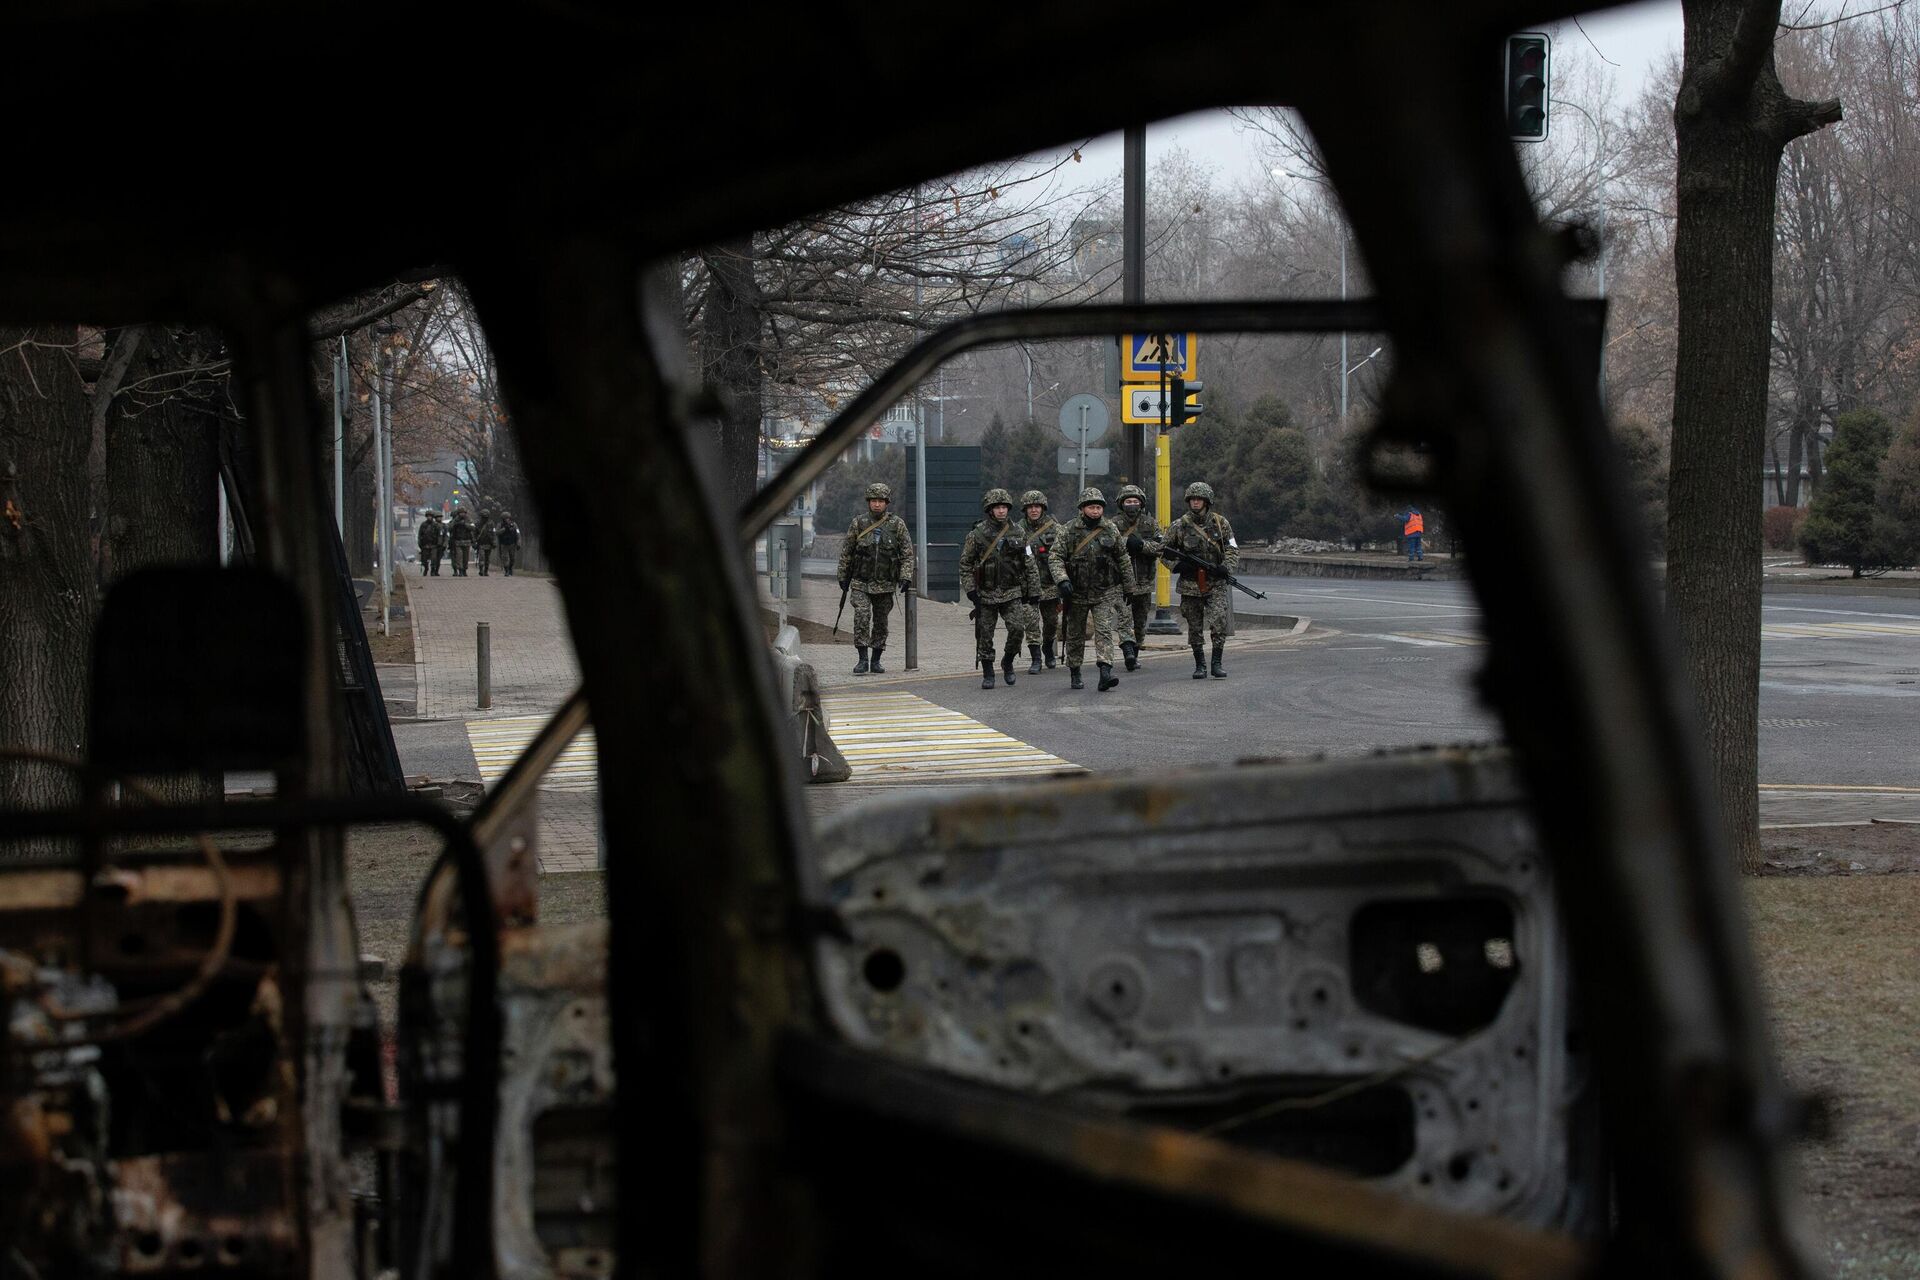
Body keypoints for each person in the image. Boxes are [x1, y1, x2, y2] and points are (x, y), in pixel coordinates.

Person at [1049, 487, 1134, 692]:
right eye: (1091, 507)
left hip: (1103, 592)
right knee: (1075, 634)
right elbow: (1055, 557)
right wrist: (1062, 580)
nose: (1095, 511)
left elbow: (1122, 557)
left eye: (1098, 507)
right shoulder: (1068, 530)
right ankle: (1075, 671)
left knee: (1104, 632)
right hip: (1076, 593)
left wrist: (1128, 585)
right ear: (1082, 509)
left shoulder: (1110, 529)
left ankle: (1105, 672)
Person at [958, 487, 1041, 689]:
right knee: (985, 635)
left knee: (1017, 629)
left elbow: (1029, 562)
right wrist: (970, 590)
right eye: (997, 507)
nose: (1001, 511)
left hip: (1012, 591)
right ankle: (988, 671)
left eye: (1004, 507)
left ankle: (1008, 662)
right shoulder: (976, 535)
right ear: (990, 509)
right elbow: (965, 564)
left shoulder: (1018, 532)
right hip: (985, 594)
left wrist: (1034, 591)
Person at [1159, 480, 1239, 679]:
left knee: (1219, 621)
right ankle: (1200, 664)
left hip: (1216, 583)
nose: (1196, 503)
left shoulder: (1221, 524)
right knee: (1194, 626)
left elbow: (1232, 548)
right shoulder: (1179, 526)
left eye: (1199, 499)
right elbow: (1162, 551)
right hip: (1190, 585)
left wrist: (1225, 568)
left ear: (1207, 501)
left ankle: (1217, 663)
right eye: (1193, 499)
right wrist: (1177, 565)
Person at [835, 481, 915, 675]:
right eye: (873, 501)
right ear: (868, 502)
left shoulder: (897, 525)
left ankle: (876, 659)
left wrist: (905, 577)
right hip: (861, 582)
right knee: (861, 616)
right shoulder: (859, 523)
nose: (877, 504)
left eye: (880, 501)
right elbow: (847, 552)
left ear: (887, 502)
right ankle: (862, 659)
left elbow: (907, 554)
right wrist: (842, 576)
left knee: (881, 622)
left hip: (885, 583)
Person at [1112, 483, 1160, 671]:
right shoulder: (1113, 524)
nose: (1132, 504)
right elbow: (1108, 545)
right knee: (1125, 619)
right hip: (1121, 583)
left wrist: (1141, 546)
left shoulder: (1150, 523)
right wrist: (1126, 543)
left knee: (1140, 622)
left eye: (1135, 501)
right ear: (1121, 504)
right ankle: (1128, 652)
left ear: (1141, 504)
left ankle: (1136, 652)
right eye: (1128, 501)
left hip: (1144, 582)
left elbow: (1159, 547)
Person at [1014, 489, 1063, 674]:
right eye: (1030, 507)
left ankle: (1048, 647)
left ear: (1043, 508)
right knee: (1031, 623)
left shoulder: (1056, 529)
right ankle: (1036, 658)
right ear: (1025, 510)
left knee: (1051, 622)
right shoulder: (1017, 530)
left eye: (1037, 507)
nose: (1034, 510)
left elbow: (1065, 553)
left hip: (1050, 585)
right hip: (1027, 587)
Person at [447, 507, 474, 576]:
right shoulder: (455, 520)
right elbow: (449, 528)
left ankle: (464, 569)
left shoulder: (468, 519)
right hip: (458, 541)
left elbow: (473, 527)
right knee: (459, 556)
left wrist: (465, 524)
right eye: (460, 513)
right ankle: (460, 570)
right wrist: (456, 524)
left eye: (463, 513)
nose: (462, 514)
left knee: (466, 557)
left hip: (466, 541)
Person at [417, 510, 444, 576]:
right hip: (425, 545)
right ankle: (426, 568)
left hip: (433, 545)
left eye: (430, 516)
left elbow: (439, 535)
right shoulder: (423, 525)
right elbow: (420, 535)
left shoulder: (436, 525)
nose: (429, 518)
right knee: (424, 560)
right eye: (428, 516)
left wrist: (439, 544)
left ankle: (432, 570)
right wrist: (420, 544)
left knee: (433, 559)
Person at [496, 511, 521, 575]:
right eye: (505, 518)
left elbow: (518, 534)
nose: (507, 519)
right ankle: (506, 570)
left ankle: (510, 568)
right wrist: (504, 529)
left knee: (512, 558)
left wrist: (518, 543)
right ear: (503, 519)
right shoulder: (500, 525)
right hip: (504, 544)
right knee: (505, 558)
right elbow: (497, 532)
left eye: (508, 518)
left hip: (512, 544)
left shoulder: (514, 524)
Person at [474, 508, 497, 575]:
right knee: (481, 557)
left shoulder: (491, 523)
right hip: (481, 543)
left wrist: (494, 542)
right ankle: (481, 569)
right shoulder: (478, 523)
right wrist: (474, 542)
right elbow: (475, 533)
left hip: (489, 543)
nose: (485, 518)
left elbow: (493, 533)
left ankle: (486, 571)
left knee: (487, 558)